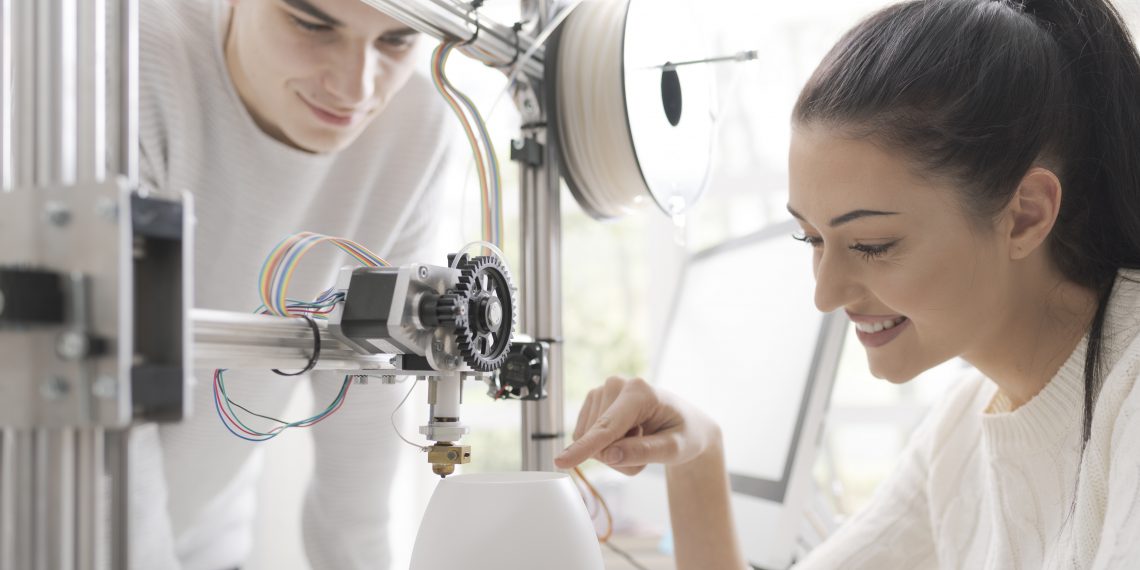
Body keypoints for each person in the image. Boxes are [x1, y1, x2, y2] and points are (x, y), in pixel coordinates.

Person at [555, 0, 1140, 568]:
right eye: (810, 239)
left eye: (872, 246)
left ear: (1027, 215)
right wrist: (697, 455)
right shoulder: (960, 431)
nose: (825, 296)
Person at [129, 0, 458, 568]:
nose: (356, 88)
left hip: (205, 537)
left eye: (398, 41)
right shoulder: (130, 56)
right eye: (311, 25)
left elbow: (365, 396)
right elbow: (102, 394)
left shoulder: (416, 123)